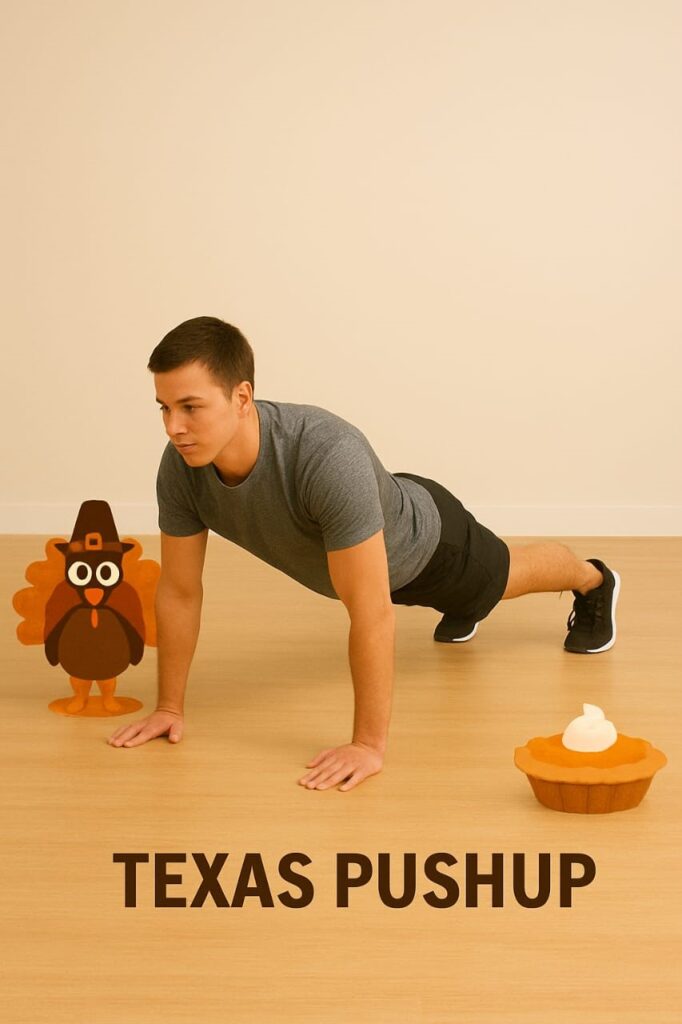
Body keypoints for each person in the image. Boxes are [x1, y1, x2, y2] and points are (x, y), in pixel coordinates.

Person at [108, 317, 620, 791]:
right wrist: (169, 707)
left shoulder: (326, 456)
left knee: (508, 574)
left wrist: (367, 746)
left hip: (430, 546)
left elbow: (372, 612)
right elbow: (179, 591)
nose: (173, 426)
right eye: (164, 408)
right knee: (418, 591)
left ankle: (594, 579)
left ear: (242, 397)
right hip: (373, 544)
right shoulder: (182, 468)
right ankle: (467, 608)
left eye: (190, 407)